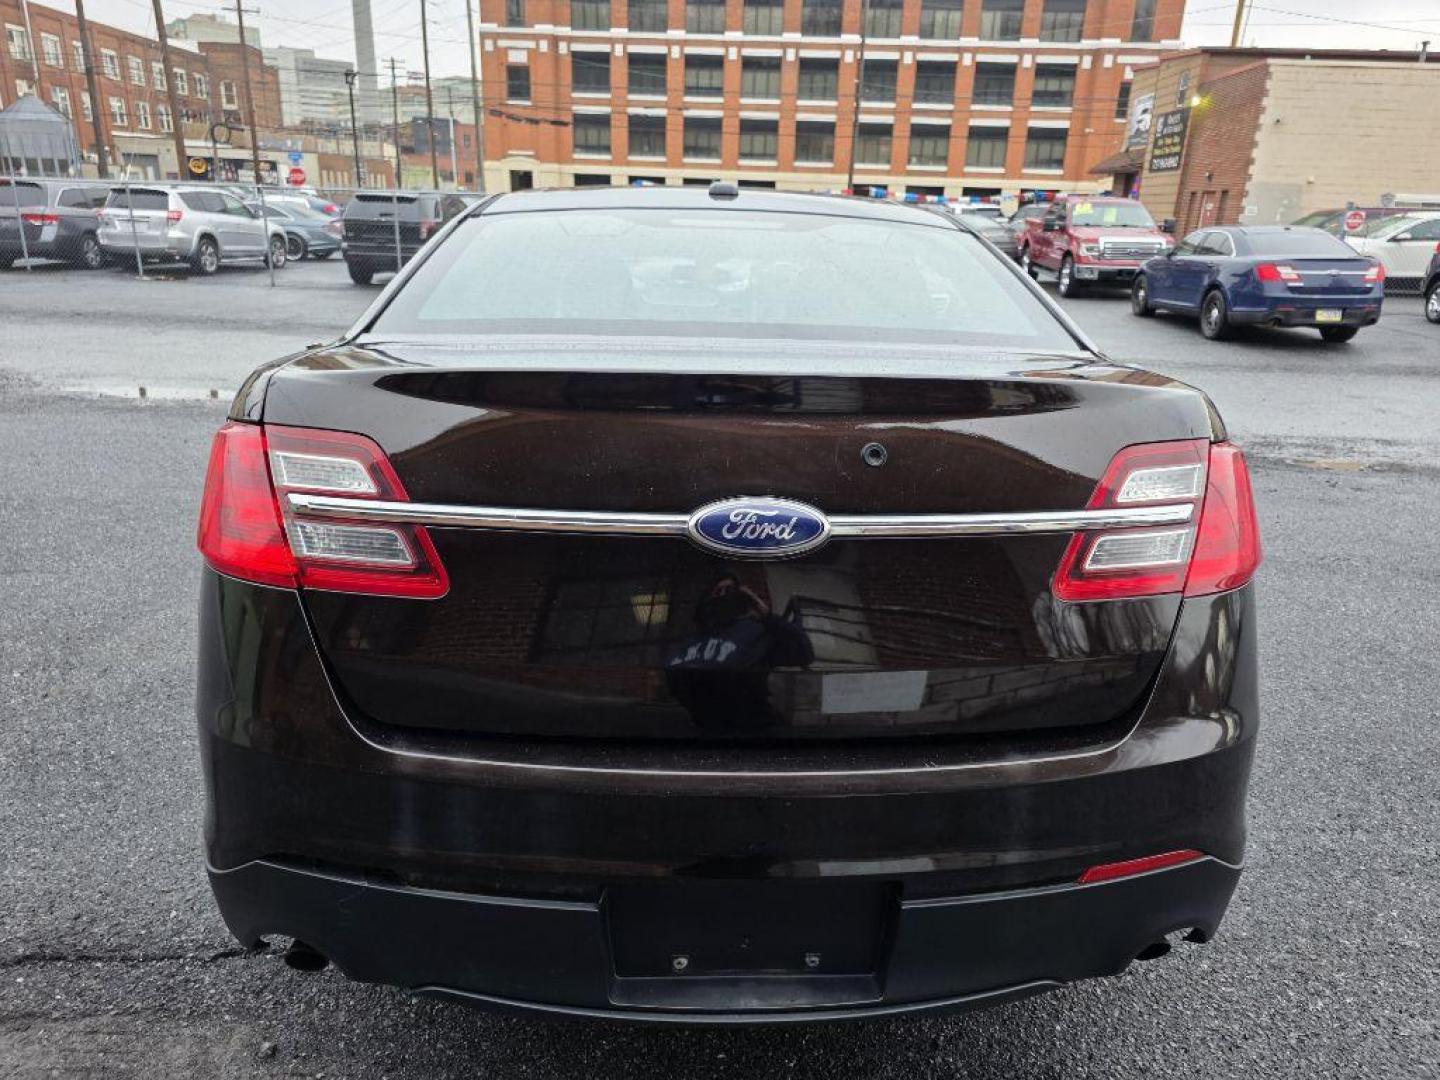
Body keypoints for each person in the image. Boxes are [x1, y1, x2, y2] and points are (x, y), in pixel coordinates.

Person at [663, 570, 814, 734]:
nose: (722, 596)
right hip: (703, 732)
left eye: (729, 591)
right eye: (717, 591)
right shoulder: (690, 641)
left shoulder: (757, 632)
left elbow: (803, 653)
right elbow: (672, 685)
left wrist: (767, 617)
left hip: (749, 733)